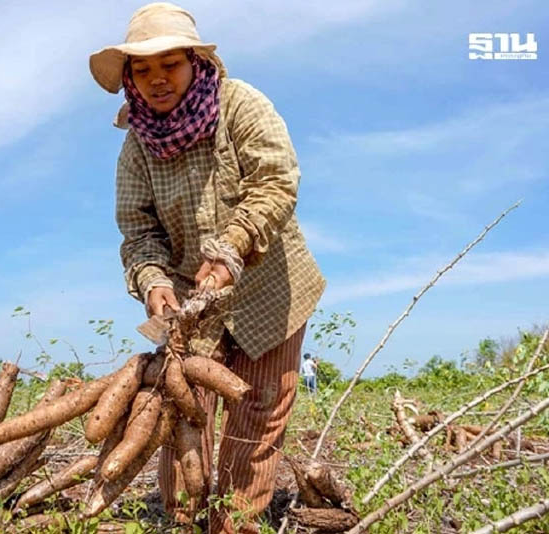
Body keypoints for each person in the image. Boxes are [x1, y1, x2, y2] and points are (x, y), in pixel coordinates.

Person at [89, 3, 326, 533]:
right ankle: (181, 518)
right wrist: (152, 283)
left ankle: (236, 522)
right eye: (143, 71)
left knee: (260, 407)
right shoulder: (137, 147)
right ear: (130, 79)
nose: (157, 81)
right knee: (181, 406)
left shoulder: (241, 104)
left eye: (168, 65)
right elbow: (139, 231)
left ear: (196, 62)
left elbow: (276, 182)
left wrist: (231, 250)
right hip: (189, 303)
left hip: (270, 287)